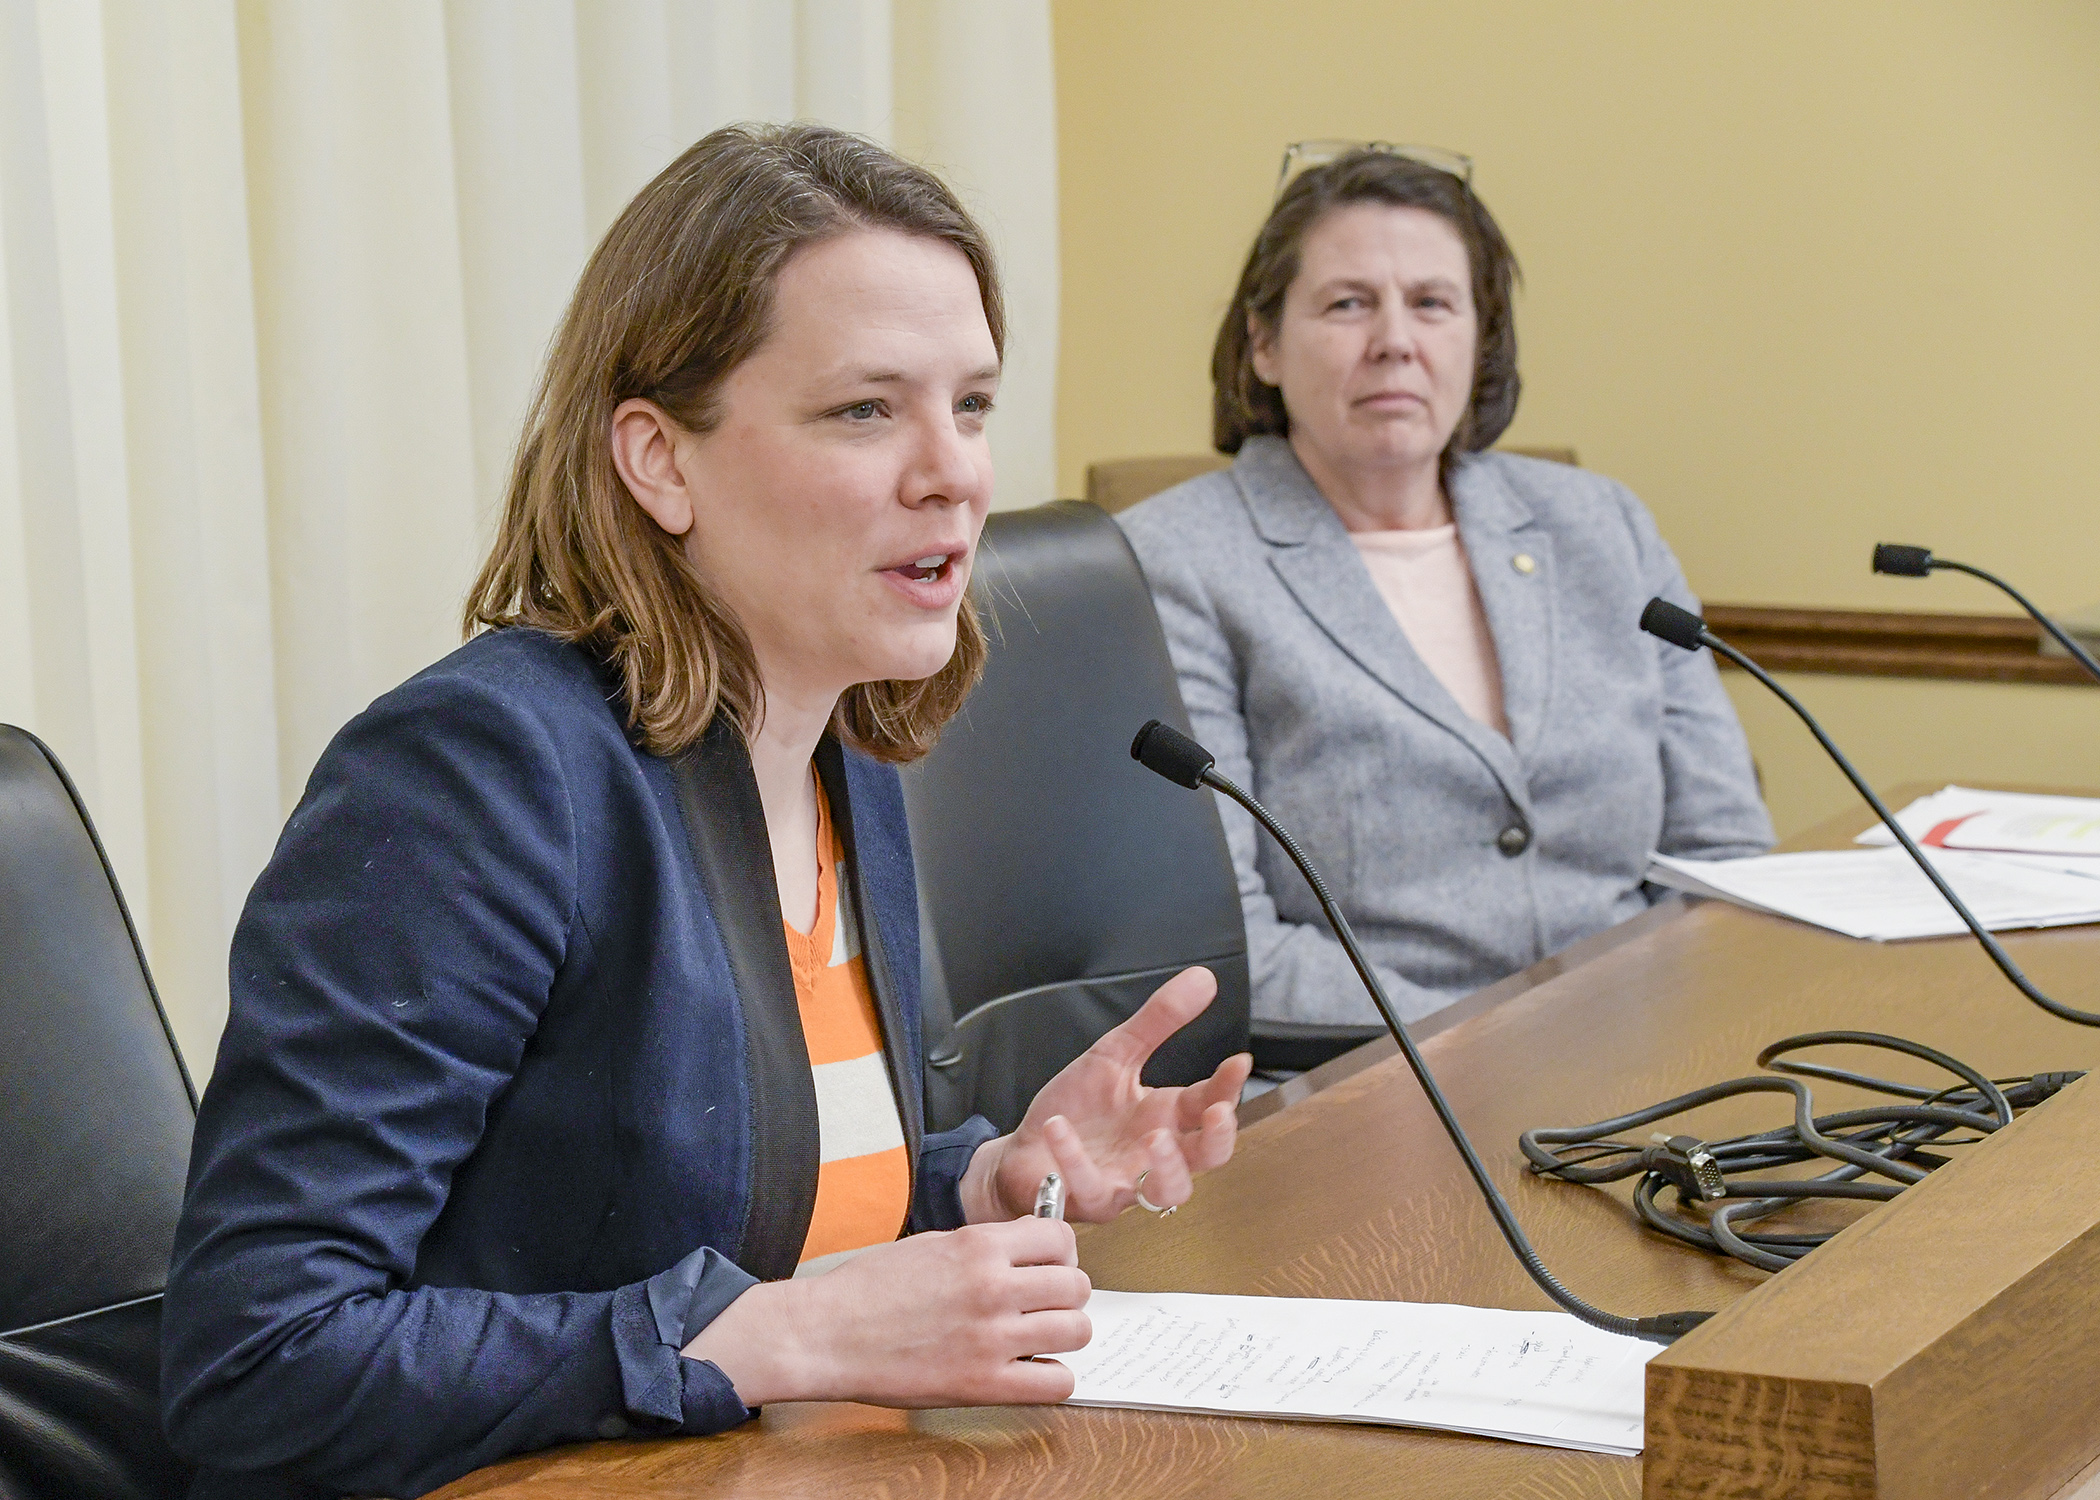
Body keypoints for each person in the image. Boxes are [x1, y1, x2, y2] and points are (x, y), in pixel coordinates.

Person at [160, 123, 1250, 1500]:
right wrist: (777, 1336)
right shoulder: (479, 775)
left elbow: (716, 1193)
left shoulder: (834, 740)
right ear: (660, 463)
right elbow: (255, 1358)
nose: (954, 471)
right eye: (867, 410)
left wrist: (979, 1187)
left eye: (970, 405)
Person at [1117, 143, 1773, 1034]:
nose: (1395, 341)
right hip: (1363, 1089)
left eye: (1432, 304)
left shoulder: (1603, 526)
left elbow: (1725, 857)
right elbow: (1233, 949)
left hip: (1651, 1051)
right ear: (1264, 344)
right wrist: (1513, 1044)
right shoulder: (1172, 561)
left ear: (1477, 338)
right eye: (1349, 304)